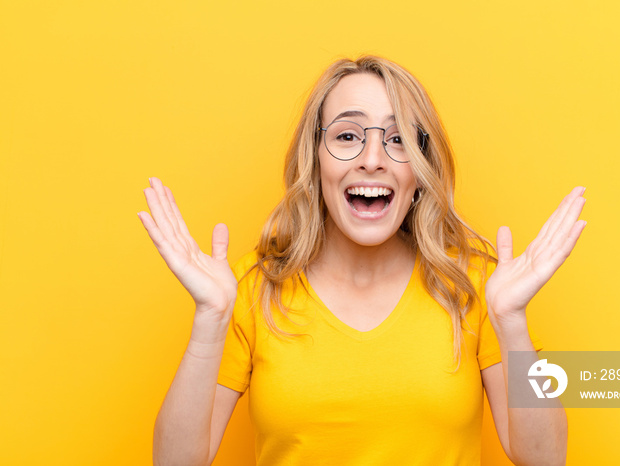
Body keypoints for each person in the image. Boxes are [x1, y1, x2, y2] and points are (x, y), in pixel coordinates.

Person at [138, 56, 586, 466]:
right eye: (348, 136)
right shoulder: (256, 288)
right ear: (315, 157)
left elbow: (545, 459)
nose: (372, 160)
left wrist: (511, 323)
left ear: (420, 169)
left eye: (399, 139)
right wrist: (208, 323)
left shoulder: (474, 284)